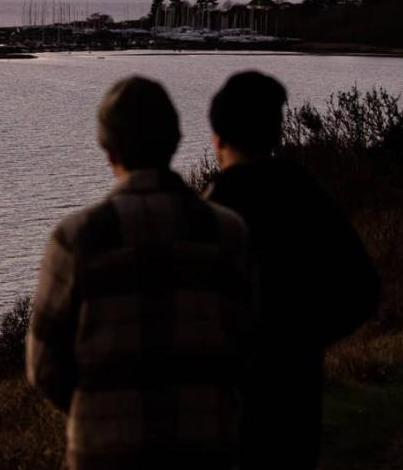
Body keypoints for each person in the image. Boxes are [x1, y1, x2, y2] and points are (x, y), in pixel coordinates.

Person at [27, 76, 253, 470]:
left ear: (108, 148)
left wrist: (98, 408)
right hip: (207, 450)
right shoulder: (227, 232)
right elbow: (249, 344)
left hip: (105, 452)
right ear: (174, 142)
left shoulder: (76, 239)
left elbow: (44, 367)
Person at [206, 70, 379, 469]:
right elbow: (363, 289)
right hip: (295, 400)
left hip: (220, 408)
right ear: (276, 133)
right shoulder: (306, 197)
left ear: (218, 138)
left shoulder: (207, 213)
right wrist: (303, 339)